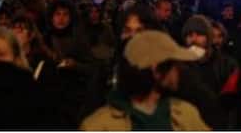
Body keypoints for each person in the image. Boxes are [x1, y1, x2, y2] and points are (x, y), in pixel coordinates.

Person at [80, 30, 209, 131]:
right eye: (173, 65)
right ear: (156, 70)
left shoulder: (186, 114)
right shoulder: (99, 126)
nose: (177, 71)